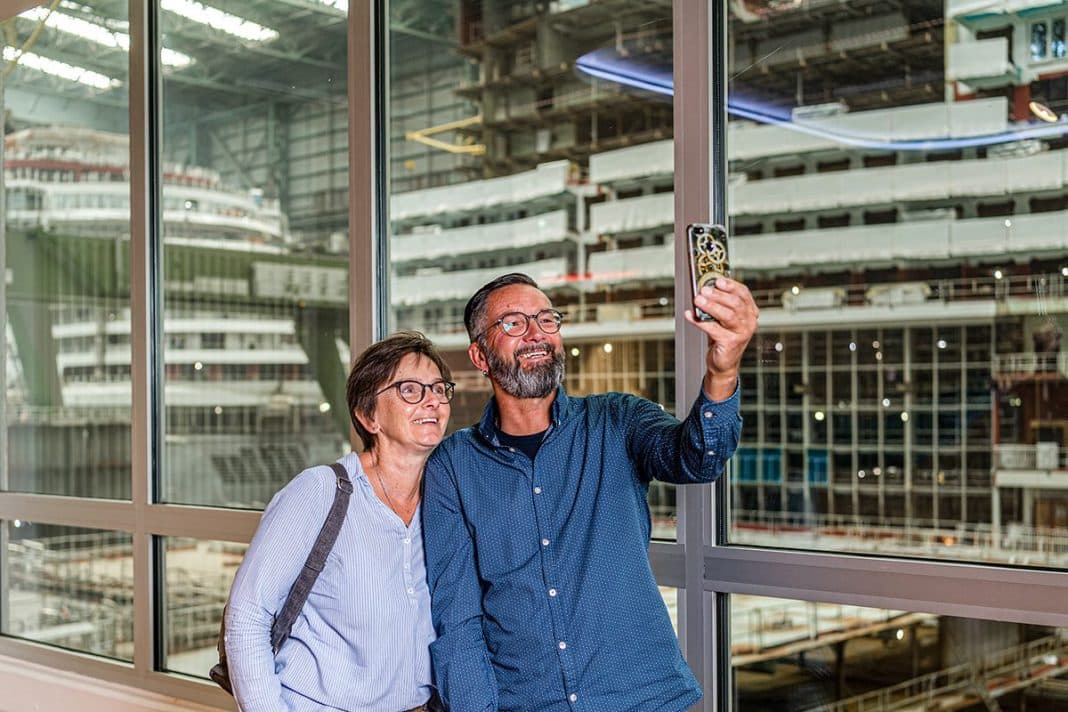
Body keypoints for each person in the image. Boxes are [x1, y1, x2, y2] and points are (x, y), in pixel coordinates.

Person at [423, 273, 758, 711]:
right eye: (513, 324)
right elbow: (459, 620)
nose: (536, 334)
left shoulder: (617, 420)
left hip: (643, 699)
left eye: (547, 320)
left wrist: (723, 368)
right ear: (479, 356)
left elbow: (696, 458)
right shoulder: (453, 466)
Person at [225, 331, 453, 712]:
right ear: (368, 416)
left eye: (439, 389)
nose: (432, 401)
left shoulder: (442, 501)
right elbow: (247, 616)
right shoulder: (320, 492)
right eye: (410, 390)